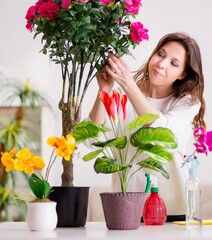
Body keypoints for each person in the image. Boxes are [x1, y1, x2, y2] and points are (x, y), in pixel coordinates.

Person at [88, 32, 206, 222]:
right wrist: (105, 91)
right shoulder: (122, 95)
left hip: (171, 209)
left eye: (174, 63)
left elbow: (165, 133)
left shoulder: (187, 103)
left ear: (183, 73)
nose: (161, 63)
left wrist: (128, 84)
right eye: (161, 54)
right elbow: (92, 139)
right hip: (127, 205)